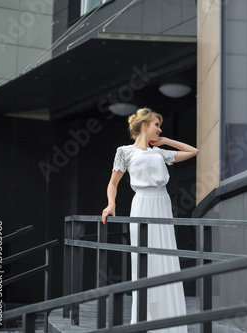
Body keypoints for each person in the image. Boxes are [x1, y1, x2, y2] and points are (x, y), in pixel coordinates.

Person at [101, 107, 198, 332]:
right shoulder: (124, 152)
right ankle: (147, 320)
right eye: (156, 125)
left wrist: (165, 140)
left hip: (161, 204)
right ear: (144, 126)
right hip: (142, 204)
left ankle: (170, 322)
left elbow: (193, 151)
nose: (159, 128)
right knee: (145, 260)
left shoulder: (160, 153)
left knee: (165, 259)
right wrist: (111, 204)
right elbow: (113, 183)